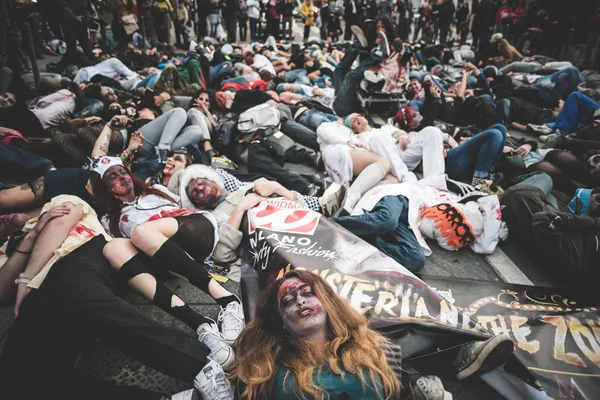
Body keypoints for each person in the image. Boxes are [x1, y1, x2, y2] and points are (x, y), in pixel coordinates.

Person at [89, 156, 246, 344]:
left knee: (141, 232)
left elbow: (190, 201)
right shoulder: (109, 220)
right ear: (105, 187)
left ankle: (228, 300)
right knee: (112, 248)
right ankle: (200, 324)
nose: (122, 177)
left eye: (123, 171)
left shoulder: (157, 191)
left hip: (194, 232)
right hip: (164, 256)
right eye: (112, 176)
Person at [232, 269, 402, 399]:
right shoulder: (265, 370)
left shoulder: (375, 349)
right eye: (288, 301)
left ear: (327, 302)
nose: (300, 301)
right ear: (281, 321)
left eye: (307, 293)